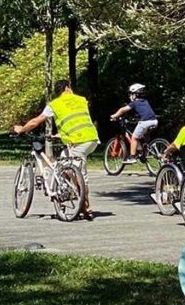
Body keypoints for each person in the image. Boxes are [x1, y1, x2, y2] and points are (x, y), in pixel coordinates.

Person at [13, 80, 100, 216]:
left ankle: (85, 206)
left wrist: (22, 129)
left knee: (78, 172)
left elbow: (36, 121)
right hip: (91, 138)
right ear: (67, 88)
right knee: (63, 163)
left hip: (78, 141)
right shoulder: (81, 100)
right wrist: (60, 134)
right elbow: (76, 118)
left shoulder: (54, 104)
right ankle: (66, 193)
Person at [110, 83, 157, 164]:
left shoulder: (135, 103)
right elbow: (145, 112)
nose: (130, 96)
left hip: (145, 122)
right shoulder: (145, 101)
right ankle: (142, 152)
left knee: (134, 138)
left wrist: (114, 116)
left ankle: (132, 157)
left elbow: (122, 110)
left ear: (135, 94)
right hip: (154, 121)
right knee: (140, 136)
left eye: (131, 94)